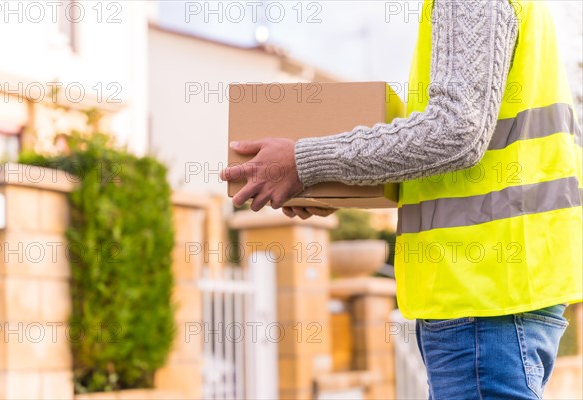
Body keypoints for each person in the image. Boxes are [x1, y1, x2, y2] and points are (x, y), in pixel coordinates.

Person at [220, 0, 582, 398]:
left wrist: (305, 162)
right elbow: (468, 158)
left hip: (483, 294)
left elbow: (455, 132)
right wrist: (331, 188)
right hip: (496, 291)